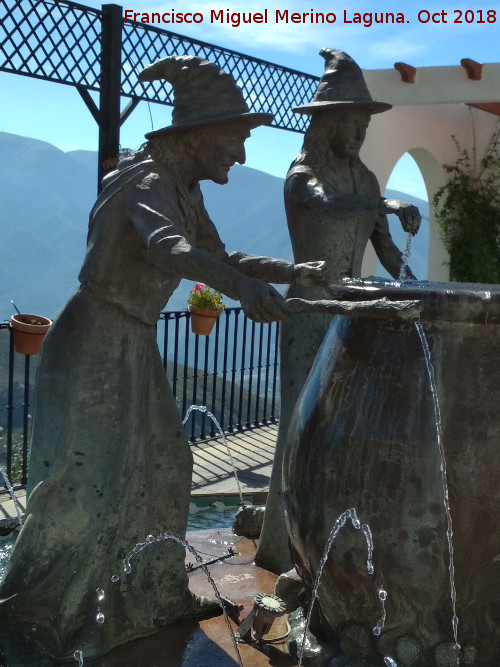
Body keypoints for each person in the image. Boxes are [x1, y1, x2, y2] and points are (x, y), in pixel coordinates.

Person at [0, 55, 328, 661]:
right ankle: (42, 612)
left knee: (166, 464)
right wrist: (243, 289)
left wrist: (292, 272)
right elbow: (169, 249)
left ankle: (150, 592)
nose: (240, 154)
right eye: (235, 138)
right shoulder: (148, 182)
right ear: (200, 135)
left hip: (132, 339)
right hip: (97, 338)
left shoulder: (183, 189)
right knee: (82, 483)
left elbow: (221, 257)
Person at [256, 49, 422, 574]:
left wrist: (416, 285)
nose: (358, 133)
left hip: (347, 316)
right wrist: (386, 204)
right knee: (299, 425)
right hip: (309, 313)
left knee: (339, 428)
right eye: (350, 123)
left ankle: (326, 538)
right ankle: (278, 545)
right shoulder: (301, 174)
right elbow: (326, 202)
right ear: (326, 123)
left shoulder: (367, 181)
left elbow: (386, 249)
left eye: (364, 125)